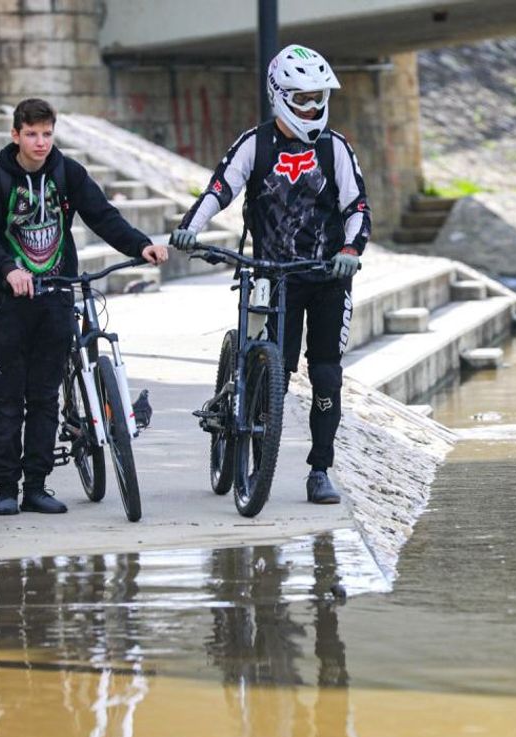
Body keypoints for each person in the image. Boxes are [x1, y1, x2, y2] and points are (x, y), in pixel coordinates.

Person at [170, 44, 371, 506]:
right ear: (280, 96)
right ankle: (257, 461)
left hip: (326, 277)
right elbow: (219, 188)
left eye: (319, 97)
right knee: (267, 370)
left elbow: (357, 206)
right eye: (303, 99)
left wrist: (348, 250)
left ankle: (320, 469)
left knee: (326, 376)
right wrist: (190, 229)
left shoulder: (334, 147)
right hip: (272, 276)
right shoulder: (254, 143)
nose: (314, 107)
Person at [0, 98, 169, 517]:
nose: (40, 142)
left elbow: (103, 215)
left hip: (56, 298)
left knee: (44, 397)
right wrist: (8, 270)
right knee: (8, 399)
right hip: (8, 306)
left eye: (46, 133)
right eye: (31, 134)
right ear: (15, 135)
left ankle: (37, 486)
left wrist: (140, 245)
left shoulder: (67, 173)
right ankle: (6, 487)